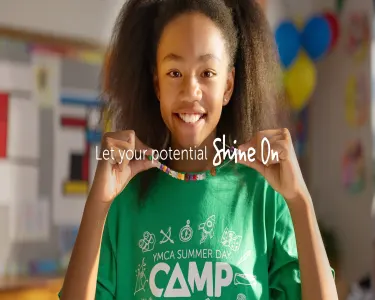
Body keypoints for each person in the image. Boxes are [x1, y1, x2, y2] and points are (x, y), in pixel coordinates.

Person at [59, 0, 338, 299]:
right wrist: (98, 203)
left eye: (207, 73)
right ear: (156, 84)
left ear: (228, 85)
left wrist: (300, 200)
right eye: (175, 73)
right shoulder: (122, 199)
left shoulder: (265, 193)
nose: (191, 91)